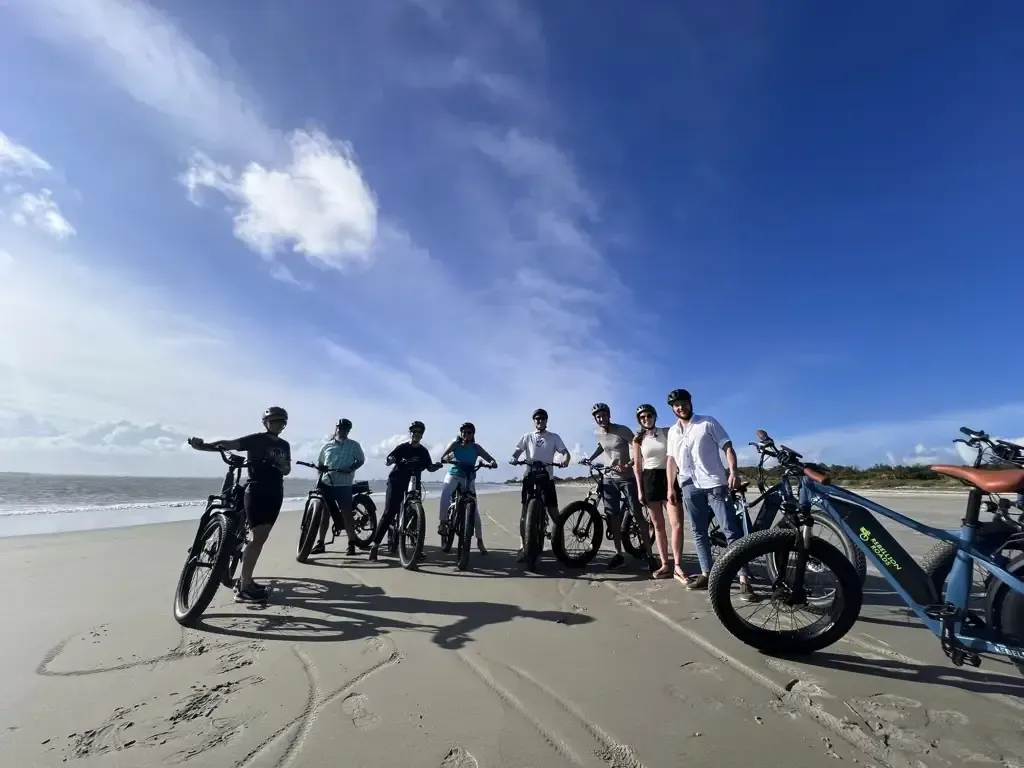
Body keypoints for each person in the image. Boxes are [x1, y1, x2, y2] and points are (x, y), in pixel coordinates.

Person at [187, 406, 291, 603]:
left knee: (261, 537)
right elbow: (229, 444)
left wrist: (281, 466)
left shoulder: (285, 445)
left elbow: (287, 469)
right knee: (258, 537)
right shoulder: (256, 439)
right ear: (266, 422)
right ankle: (244, 588)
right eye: (274, 420)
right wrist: (204, 446)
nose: (278, 424)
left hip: (276, 492)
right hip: (257, 489)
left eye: (281, 421)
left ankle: (245, 580)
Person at [665, 389, 754, 599]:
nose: (680, 407)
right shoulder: (672, 432)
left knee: (731, 530)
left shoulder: (707, 422)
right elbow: (671, 460)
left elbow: (728, 447)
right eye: (676, 405)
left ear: (690, 403)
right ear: (672, 409)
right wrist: (670, 487)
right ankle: (707, 573)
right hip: (688, 484)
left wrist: (733, 472)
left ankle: (744, 579)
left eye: (683, 403)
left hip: (715, 483)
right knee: (699, 531)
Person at [584, 403, 657, 573]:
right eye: (598, 416)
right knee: (613, 518)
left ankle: (650, 555)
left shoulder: (622, 430)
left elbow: (637, 448)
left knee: (638, 515)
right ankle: (619, 555)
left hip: (627, 478)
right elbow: (602, 446)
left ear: (609, 415)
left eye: (604, 415)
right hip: (609, 478)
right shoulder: (598, 432)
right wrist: (590, 458)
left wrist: (628, 464)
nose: (601, 419)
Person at [368, 420, 442, 562]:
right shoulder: (402, 447)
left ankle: (416, 547)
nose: (416, 434)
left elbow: (429, 467)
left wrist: (436, 466)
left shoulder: (423, 451)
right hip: (397, 481)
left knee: (415, 513)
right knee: (390, 512)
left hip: (414, 482)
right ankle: (375, 546)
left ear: (422, 435)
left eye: (419, 432)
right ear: (410, 433)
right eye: (414, 431)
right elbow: (389, 459)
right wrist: (390, 460)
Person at [509, 408, 571, 562]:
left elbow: (565, 452)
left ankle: (560, 548)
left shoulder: (553, 437)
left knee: (554, 513)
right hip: (530, 476)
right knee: (524, 514)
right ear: (534, 421)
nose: (540, 421)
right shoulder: (527, 437)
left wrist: (565, 459)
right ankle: (523, 547)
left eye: (542, 418)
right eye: (537, 419)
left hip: (547, 477)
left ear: (546, 421)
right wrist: (514, 458)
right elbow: (517, 452)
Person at [438, 422, 499, 554]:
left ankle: (480, 540)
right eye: (464, 432)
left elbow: (490, 458)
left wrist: (492, 463)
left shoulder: (476, 447)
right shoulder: (455, 444)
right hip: (454, 475)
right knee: (445, 493)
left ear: (473, 434)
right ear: (461, 433)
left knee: (474, 511)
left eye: (469, 432)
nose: (466, 435)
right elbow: (443, 456)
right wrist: (445, 459)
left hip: (469, 478)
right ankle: (443, 522)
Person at [311, 418, 365, 556]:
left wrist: (351, 468)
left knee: (346, 514)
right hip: (327, 484)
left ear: (348, 431)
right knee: (325, 515)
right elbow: (320, 463)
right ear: (336, 429)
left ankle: (351, 544)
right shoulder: (327, 446)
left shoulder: (354, 445)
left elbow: (361, 460)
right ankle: (320, 543)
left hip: (344, 485)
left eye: (345, 429)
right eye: (340, 428)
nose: (342, 431)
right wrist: (319, 479)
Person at [634, 404, 675, 579]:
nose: (646, 419)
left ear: (655, 416)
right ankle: (665, 564)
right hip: (649, 479)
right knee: (658, 525)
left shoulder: (666, 432)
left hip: (668, 477)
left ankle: (678, 564)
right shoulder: (638, 439)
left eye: (648, 416)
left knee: (675, 523)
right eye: (642, 418)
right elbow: (637, 466)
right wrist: (639, 490)